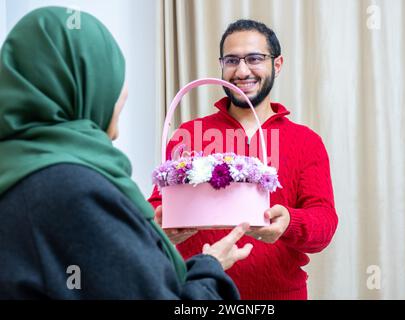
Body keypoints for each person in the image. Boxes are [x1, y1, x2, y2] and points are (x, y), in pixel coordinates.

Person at [0, 7, 253, 299]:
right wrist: (211, 268)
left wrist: (138, 237)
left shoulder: (16, 169)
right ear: (82, 87)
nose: (116, 130)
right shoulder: (71, 189)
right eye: (113, 98)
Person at [148, 19, 338, 300]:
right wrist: (162, 228)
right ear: (221, 66)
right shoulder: (189, 133)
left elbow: (324, 222)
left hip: (281, 295)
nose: (242, 70)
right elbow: (157, 208)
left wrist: (289, 222)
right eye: (232, 60)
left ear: (277, 64)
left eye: (254, 58)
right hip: (200, 293)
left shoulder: (305, 141)